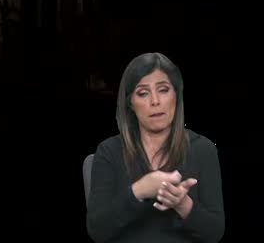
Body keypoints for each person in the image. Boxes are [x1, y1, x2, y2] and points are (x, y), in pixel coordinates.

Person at [87, 52, 224, 242]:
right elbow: (98, 230)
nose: (155, 101)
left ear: (176, 95)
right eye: (143, 93)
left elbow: (215, 233)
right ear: (130, 104)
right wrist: (139, 191)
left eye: (163, 89)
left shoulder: (203, 149)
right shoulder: (109, 151)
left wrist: (182, 204)